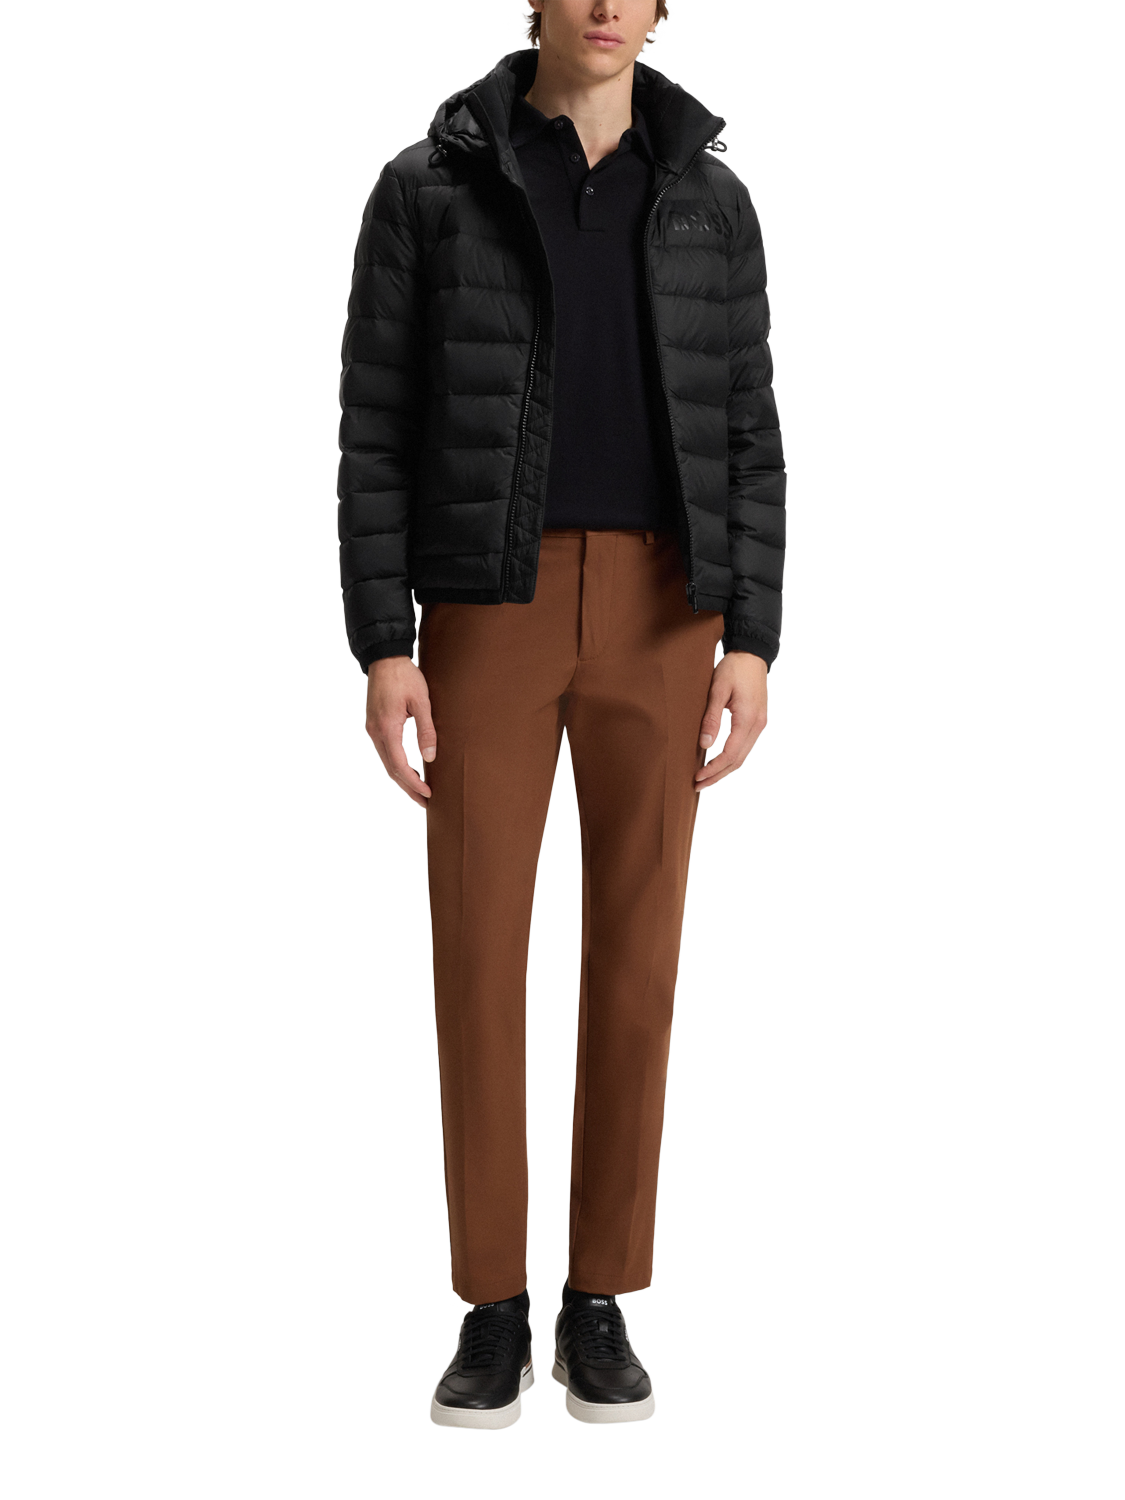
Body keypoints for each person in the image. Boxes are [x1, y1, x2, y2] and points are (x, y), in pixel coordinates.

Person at [337, 0, 785, 1429]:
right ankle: (492, 1304)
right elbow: (374, 422)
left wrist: (752, 635)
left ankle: (599, 1297)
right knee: (479, 951)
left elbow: (749, 430)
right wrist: (384, 641)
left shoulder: (710, 200)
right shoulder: (431, 184)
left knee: (637, 958)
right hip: (489, 605)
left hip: (665, 611)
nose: (604, 5)